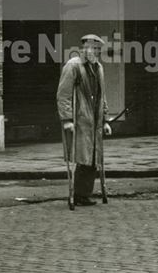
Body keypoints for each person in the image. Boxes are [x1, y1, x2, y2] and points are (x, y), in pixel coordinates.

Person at [56, 33, 111, 206]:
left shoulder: (99, 68)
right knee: (82, 156)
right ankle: (79, 195)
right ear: (82, 49)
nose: (92, 51)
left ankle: (84, 194)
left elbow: (103, 95)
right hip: (80, 119)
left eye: (96, 48)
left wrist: (105, 120)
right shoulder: (73, 66)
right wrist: (66, 119)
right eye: (88, 47)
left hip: (95, 120)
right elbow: (63, 95)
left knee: (94, 157)